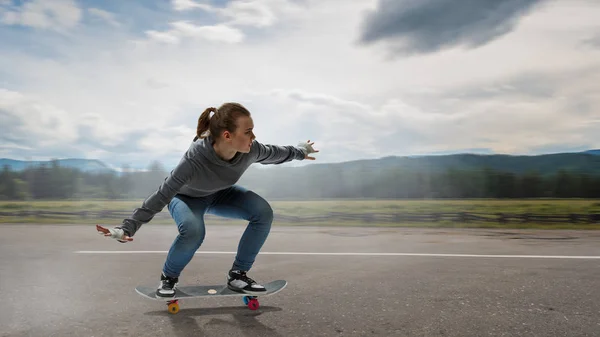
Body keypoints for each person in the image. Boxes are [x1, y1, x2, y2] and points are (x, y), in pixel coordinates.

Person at [96, 102, 318, 298]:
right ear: (227, 136)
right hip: (185, 198)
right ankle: (168, 279)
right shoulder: (194, 159)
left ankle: (238, 276)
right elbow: (163, 194)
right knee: (193, 231)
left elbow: (275, 153)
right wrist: (127, 228)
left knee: (262, 212)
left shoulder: (251, 150)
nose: (254, 137)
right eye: (248, 131)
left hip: (221, 194)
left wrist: (300, 151)